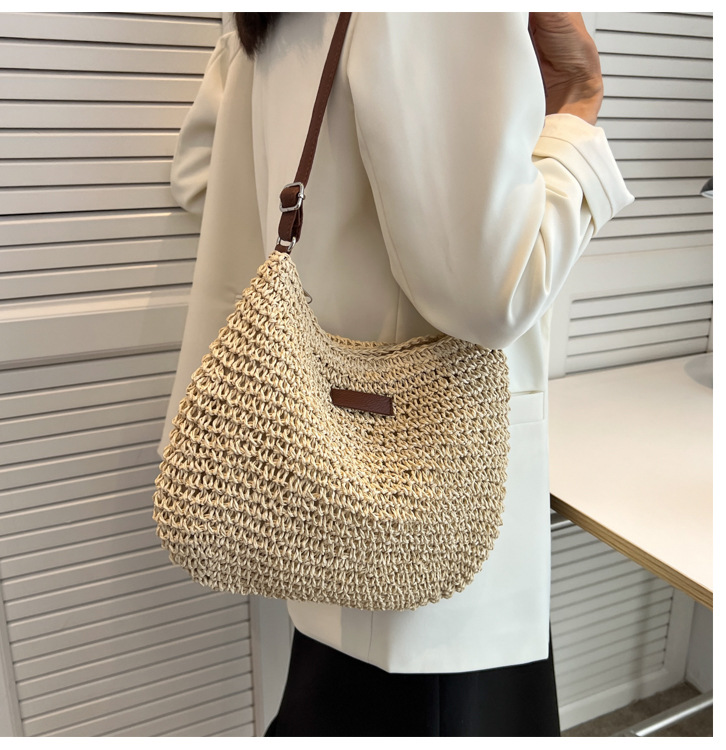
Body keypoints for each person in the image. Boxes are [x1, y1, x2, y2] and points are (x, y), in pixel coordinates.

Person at [159, 12, 634, 737]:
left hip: (313, 471)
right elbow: (495, 292)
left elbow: (199, 176)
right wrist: (577, 98)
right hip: (421, 513)